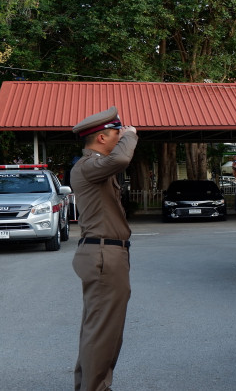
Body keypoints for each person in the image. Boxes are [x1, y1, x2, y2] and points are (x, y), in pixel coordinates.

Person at [70, 106, 138, 391]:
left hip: (105, 253)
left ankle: (89, 385)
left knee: (99, 330)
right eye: (115, 133)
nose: (119, 137)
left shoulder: (94, 166)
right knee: (103, 333)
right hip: (103, 254)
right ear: (101, 138)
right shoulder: (90, 165)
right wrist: (131, 135)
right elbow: (122, 157)